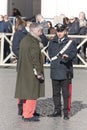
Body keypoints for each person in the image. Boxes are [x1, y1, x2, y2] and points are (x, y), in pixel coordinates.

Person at [15, 23, 45, 122]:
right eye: (40, 31)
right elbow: (35, 59)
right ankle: (28, 114)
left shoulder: (25, 39)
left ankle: (25, 112)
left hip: (24, 69)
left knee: (25, 92)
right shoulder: (33, 42)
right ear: (34, 31)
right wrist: (39, 72)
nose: (41, 33)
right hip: (31, 71)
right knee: (32, 93)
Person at [48, 23, 77, 120]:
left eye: (61, 31)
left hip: (65, 71)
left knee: (66, 93)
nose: (59, 33)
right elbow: (50, 53)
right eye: (58, 31)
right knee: (55, 93)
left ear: (65, 31)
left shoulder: (70, 42)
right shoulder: (52, 42)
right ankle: (57, 111)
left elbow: (73, 54)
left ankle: (66, 112)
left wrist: (67, 57)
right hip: (55, 70)